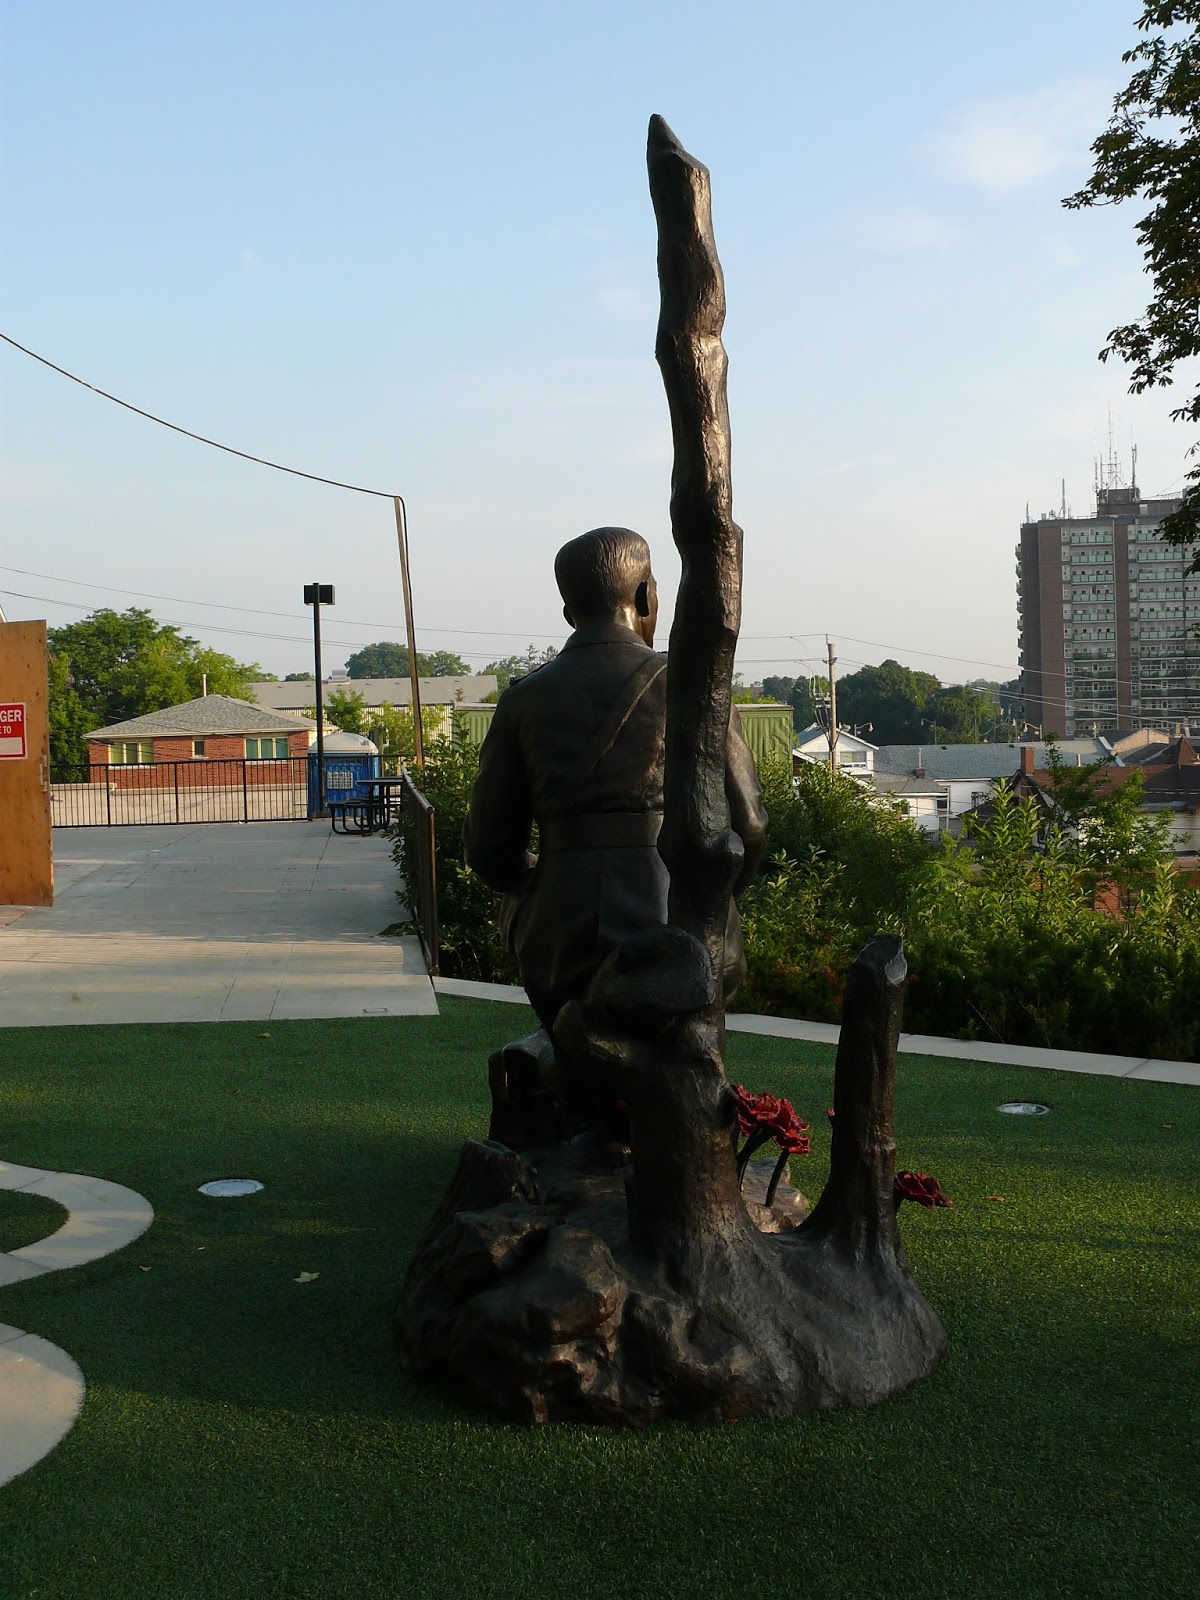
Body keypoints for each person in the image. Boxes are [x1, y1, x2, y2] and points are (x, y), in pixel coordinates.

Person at [464, 526, 767, 1044]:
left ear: (568, 611)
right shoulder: (693, 686)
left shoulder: (523, 701)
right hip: (677, 922)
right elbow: (751, 827)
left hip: (560, 939)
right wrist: (712, 901)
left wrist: (541, 878)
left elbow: (490, 851)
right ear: (648, 595)